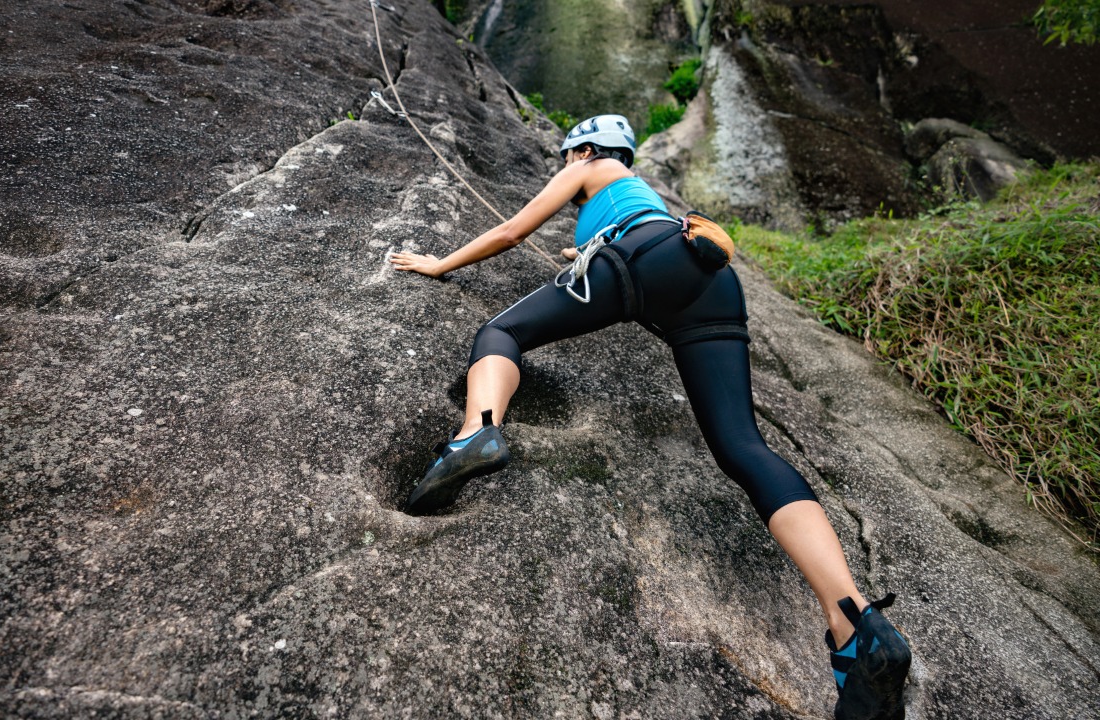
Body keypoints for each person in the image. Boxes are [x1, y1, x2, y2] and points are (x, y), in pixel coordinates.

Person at [390, 115, 911, 720]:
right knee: (743, 446)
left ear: (585, 150)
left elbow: (512, 230)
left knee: (501, 330)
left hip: (642, 261)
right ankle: (856, 625)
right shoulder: (640, 192)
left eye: (569, 157)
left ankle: (476, 431)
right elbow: (626, 241)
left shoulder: (588, 166)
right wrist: (587, 249)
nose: (567, 167)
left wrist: (440, 264)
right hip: (707, 277)